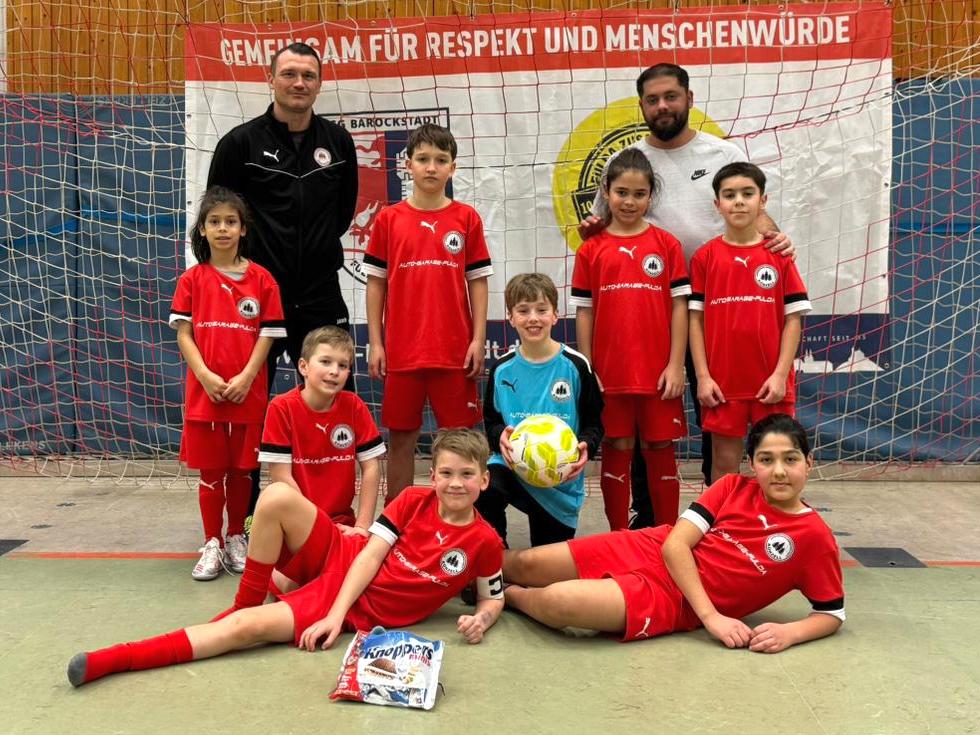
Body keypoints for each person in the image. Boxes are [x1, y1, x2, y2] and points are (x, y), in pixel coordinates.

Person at [67, 428, 505, 687]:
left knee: (243, 631)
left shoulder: (484, 542)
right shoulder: (412, 499)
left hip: (357, 604)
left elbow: (492, 598)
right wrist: (334, 616)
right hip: (344, 560)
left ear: (484, 481)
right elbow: (370, 558)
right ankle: (246, 601)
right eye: (446, 473)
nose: (455, 483)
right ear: (433, 475)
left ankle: (111, 659)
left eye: (467, 475)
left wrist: (481, 621)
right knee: (276, 495)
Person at [578, 63, 795, 525]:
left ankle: (722, 517)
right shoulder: (629, 161)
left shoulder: (722, 153)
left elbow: (753, 213)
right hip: (658, 316)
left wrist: (777, 240)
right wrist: (591, 231)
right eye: (653, 99)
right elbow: (601, 225)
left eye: (671, 97)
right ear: (642, 105)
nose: (662, 106)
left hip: (719, 311)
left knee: (718, 418)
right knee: (646, 428)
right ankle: (647, 520)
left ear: (689, 99)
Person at [503, 414, 845, 652]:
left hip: (674, 599)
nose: (779, 471)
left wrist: (790, 633)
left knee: (560, 601)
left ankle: (505, 595)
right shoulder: (732, 487)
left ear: (809, 463)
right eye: (766, 460)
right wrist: (713, 618)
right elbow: (675, 544)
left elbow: (831, 614)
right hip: (652, 547)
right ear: (752, 464)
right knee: (527, 563)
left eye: (790, 459)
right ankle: (476, 565)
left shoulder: (814, 537)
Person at [206, 41, 359, 515]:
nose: (299, 83)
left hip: (319, 291)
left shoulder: (338, 142)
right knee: (251, 404)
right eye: (289, 73)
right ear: (270, 79)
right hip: (256, 297)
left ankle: (332, 510)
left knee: (333, 397)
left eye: (308, 76)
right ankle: (253, 516)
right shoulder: (239, 144)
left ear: (319, 83)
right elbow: (218, 216)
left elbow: (342, 214)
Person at [364, 123, 492, 504]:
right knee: (402, 439)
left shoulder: (466, 218)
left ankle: (459, 519)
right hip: (402, 353)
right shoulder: (388, 219)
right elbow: (376, 284)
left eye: (440, 160)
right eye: (422, 159)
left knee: (459, 442)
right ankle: (397, 521)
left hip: (454, 352)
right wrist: (376, 343)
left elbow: (478, 282)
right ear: (407, 165)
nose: (431, 167)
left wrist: (478, 339)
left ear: (453, 167)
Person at [570, 150, 690, 532]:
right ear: (606, 192)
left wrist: (676, 364)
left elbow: (680, 306)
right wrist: (588, 368)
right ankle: (618, 538)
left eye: (639, 194)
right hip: (611, 374)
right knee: (616, 446)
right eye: (621, 192)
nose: (629, 201)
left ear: (651, 196)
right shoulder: (591, 249)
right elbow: (585, 311)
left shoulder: (667, 245)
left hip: (658, 374)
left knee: (659, 447)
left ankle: (667, 538)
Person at [169, 186, 285, 580]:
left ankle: (237, 536)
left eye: (230, 222)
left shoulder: (263, 280)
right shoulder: (192, 280)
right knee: (211, 472)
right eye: (214, 221)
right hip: (206, 394)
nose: (223, 228)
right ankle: (211, 542)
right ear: (202, 230)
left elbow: (267, 335)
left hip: (246, 392)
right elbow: (184, 334)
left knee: (242, 471)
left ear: (243, 229)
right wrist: (204, 375)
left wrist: (247, 376)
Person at [689, 162, 811, 482]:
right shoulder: (705, 258)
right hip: (722, 384)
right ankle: (722, 516)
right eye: (730, 195)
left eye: (747, 193)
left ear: (763, 200)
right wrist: (703, 376)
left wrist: (780, 375)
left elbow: (793, 319)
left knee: (775, 462)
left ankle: (773, 516)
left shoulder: (779, 255)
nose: (739, 201)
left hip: (770, 384)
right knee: (723, 462)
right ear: (718, 204)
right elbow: (695, 321)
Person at [479, 273, 604, 547]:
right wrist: (499, 436)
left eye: (541, 310)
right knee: (483, 489)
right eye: (523, 311)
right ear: (511, 317)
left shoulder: (576, 366)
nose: (533, 318)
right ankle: (496, 557)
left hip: (559, 478)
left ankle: (533, 557)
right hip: (512, 468)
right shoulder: (501, 369)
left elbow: (594, 423)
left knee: (546, 565)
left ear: (555, 315)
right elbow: (491, 421)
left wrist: (587, 445)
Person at [257, 326, 386, 539]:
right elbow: (281, 476)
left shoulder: (354, 406)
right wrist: (316, 525)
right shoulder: (281, 408)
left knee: (372, 556)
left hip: (342, 525)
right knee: (273, 497)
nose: (334, 371)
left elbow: (371, 467)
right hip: (296, 522)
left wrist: (362, 527)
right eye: (325, 362)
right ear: (303, 366)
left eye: (343, 365)